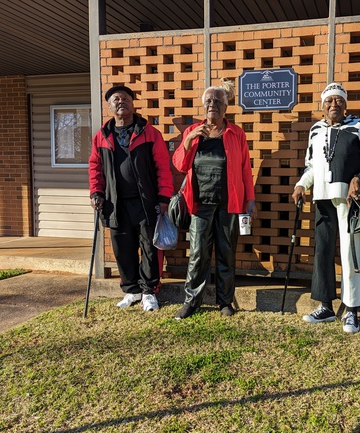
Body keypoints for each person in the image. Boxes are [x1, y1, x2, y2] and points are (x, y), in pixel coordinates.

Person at [292, 83, 360, 333]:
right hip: (322, 199)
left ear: (346, 104)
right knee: (322, 253)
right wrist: (301, 185)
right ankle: (326, 307)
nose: (334, 105)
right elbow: (310, 166)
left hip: (350, 201)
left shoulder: (359, 127)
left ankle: (351, 309)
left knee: (351, 253)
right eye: (329, 101)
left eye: (338, 100)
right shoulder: (315, 130)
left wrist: (359, 178)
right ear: (323, 106)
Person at [172, 78, 256, 319]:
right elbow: (179, 165)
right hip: (199, 204)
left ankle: (225, 302)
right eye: (208, 101)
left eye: (217, 101)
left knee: (226, 253)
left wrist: (249, 199)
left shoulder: (235, 133)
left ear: (225, 106)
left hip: (229, 203)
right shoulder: (192, 132)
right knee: (198, 254)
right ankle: (191, 301)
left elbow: (244, 170)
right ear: (203, 106)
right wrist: (188, 141)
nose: (212, 105)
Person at [89, 85, 173, 311]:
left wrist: (164, 198)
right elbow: (95, 168)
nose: (120, 102)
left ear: (132, 103)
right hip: (115, 204)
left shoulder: (149, 132)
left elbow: (163, 167)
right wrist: (96, 192)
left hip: (146, 203)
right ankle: (131, 290)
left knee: (150, 248)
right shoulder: (101, 136)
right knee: (122, 249)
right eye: (115, 99)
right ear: (109, 107)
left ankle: (149, 291)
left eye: (125, 98)